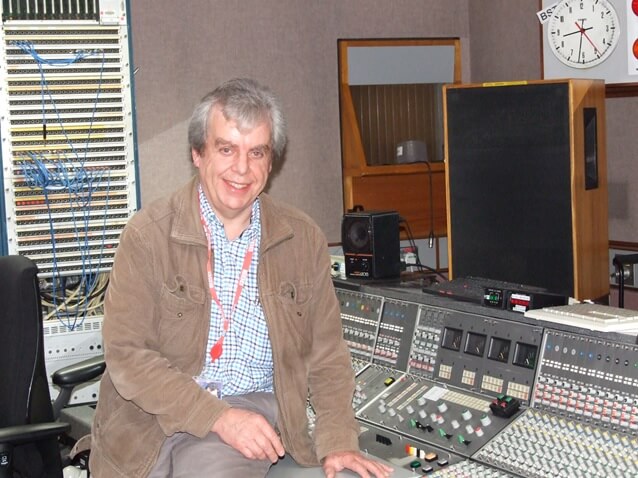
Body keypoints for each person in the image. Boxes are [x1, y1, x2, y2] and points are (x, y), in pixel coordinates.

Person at [87, 78, 394, 478]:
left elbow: (327, 355)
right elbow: (127, 355)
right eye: (226, 149)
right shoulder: (147, 235)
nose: (242, 169)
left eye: (257, 152)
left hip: (248, 406)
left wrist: (337, 440)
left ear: (272, 162)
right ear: (198, 153)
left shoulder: (302, 240)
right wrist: (215, 415)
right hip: (148, 417)